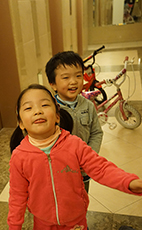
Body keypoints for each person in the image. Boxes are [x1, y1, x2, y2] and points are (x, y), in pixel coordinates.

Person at [1, 84, 142, 230]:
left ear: (57, 116)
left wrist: (129, 182)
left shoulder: (74, 145)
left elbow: (101, 168)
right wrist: (14, 226)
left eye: (45, 105)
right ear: (21, 122)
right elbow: (17, 194)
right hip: (42, 217)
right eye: (28, 108)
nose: (38, 111)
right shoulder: (20, 156)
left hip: (75, 216)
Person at [45, 51, 103, 194]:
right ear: (53, 84)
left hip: (83, 170)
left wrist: (89, 156)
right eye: (66, 77)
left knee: (82, 199)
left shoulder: (88, 106)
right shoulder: (50, 110)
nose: (74, 81)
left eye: (78, 76)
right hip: (59, 172)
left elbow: (96, 132)